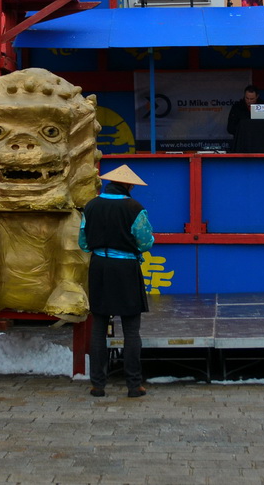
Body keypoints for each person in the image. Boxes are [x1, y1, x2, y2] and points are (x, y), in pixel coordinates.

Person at [79, 163, 154, 400]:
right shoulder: (135, 208)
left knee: (99, 327)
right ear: (129, 185)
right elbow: (145, 242)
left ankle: (97, 385)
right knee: (131, 330)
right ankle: (134, 386)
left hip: (100, 267)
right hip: (125, 269)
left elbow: (83, 242)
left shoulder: (91, 206)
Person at [225, 84, 264, 154]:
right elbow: (230, 128)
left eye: (252, 99)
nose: (249, 101)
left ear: (257, 96)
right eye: (247, 98)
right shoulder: (237, 107)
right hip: (243, 145)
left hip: (263, 145)